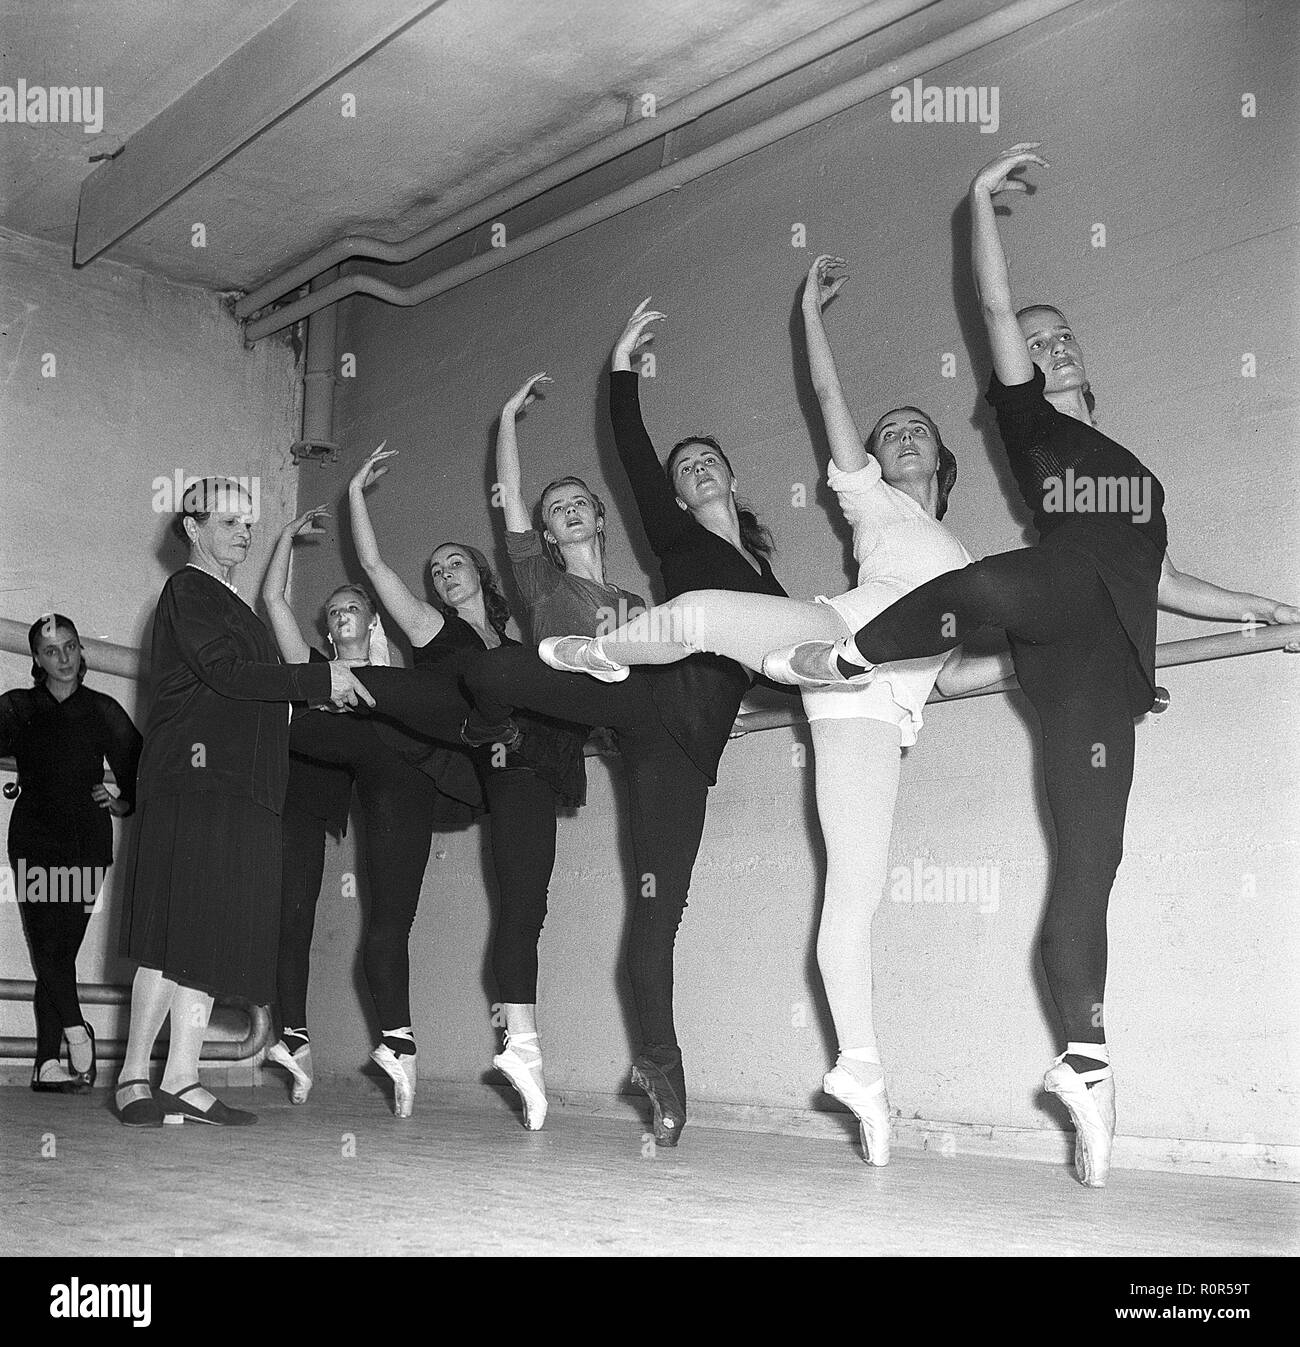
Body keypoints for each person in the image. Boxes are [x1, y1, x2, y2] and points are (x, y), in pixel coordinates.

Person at [765, 147, 1300, 1187]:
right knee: (1010, 580)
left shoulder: (1136, 481)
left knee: (1086, 868)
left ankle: (1087, 1068)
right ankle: (847, 651)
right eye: (1036, 341)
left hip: (1106, 667)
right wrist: (975, 208)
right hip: (1048, 601)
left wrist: (1270, 610)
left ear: (1088, 368)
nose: (1045, 348)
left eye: (1063, 342)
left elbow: (1169, 579)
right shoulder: (1034, 427)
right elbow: (997, 314)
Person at [542, 259, 1013, 1162]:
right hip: (828, 632)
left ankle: (862, 1072)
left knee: (854, 896)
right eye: (893, 433)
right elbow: (833, 402)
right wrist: (807, 317)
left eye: (920, 431)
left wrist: (1053, 677)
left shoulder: (965, 558)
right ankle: (596, 651)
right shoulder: (872, 503)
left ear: (946, 466)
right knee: (711, 615)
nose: (903, 439)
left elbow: (952, 678)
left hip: (874, 708)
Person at [451, 302, 788, 1146]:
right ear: (674, 496)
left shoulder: (775, 593)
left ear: (736, 481)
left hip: (686, 751)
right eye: (689, 466)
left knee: (656, 909)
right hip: (643, 698)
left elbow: (789, 668)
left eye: (713, 460)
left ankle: (660, 1065)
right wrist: (623, 373)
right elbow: (635, 459)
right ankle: (518, 710)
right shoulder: (676, 544)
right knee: (496, 667)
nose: (700, 469)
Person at [341, 419, 628, 1129]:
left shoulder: (526, 627)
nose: (443, 574)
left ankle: (522, 1049)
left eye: (453, 563)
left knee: (527, 904)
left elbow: (520, 526)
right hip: (493, 759)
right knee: (493, 903)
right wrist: (354, 495)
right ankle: (481, 1042)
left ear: (480, 571)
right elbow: (378, 574)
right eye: (434, 572)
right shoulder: (435, 634)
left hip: (540, 760)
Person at [114, 478, 371, 1128]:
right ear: (194, 528)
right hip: (191, 778)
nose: (243, 532)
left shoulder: (235, 605)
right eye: (228, 520)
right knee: (174, 925)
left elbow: (259, 689)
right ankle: (132, 1076)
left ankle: (182, 1078)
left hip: (241, 786)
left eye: (249, 523)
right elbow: (225, 675)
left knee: (205, 933)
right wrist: (317, 677)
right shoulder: (189, 590)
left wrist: (314, 694)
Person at [263, 507, 478, 1117]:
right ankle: (295, 1040)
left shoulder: (399, 678)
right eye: (332, 612)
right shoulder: (316, 670)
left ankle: (399, 1046)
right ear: (328, 630)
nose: (340, 615)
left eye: (350, 605)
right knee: (294, 917)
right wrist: (285, 538)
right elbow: (275, 603)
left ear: (371, 620)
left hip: (400, 788)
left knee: (388, 923)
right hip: (331, 781)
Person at [1, 614, 141, 1092]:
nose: (61, 658)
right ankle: (73, 1041)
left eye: (70, 647)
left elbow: (138, 766)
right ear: (36, 660)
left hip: (86, 843)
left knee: (59, 951)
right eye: (50, 650)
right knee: (47, 948)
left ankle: (48, 1062)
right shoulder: (19, 707)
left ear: (82, 651)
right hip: (34, 841)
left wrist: (122, 802)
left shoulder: (102, 709)